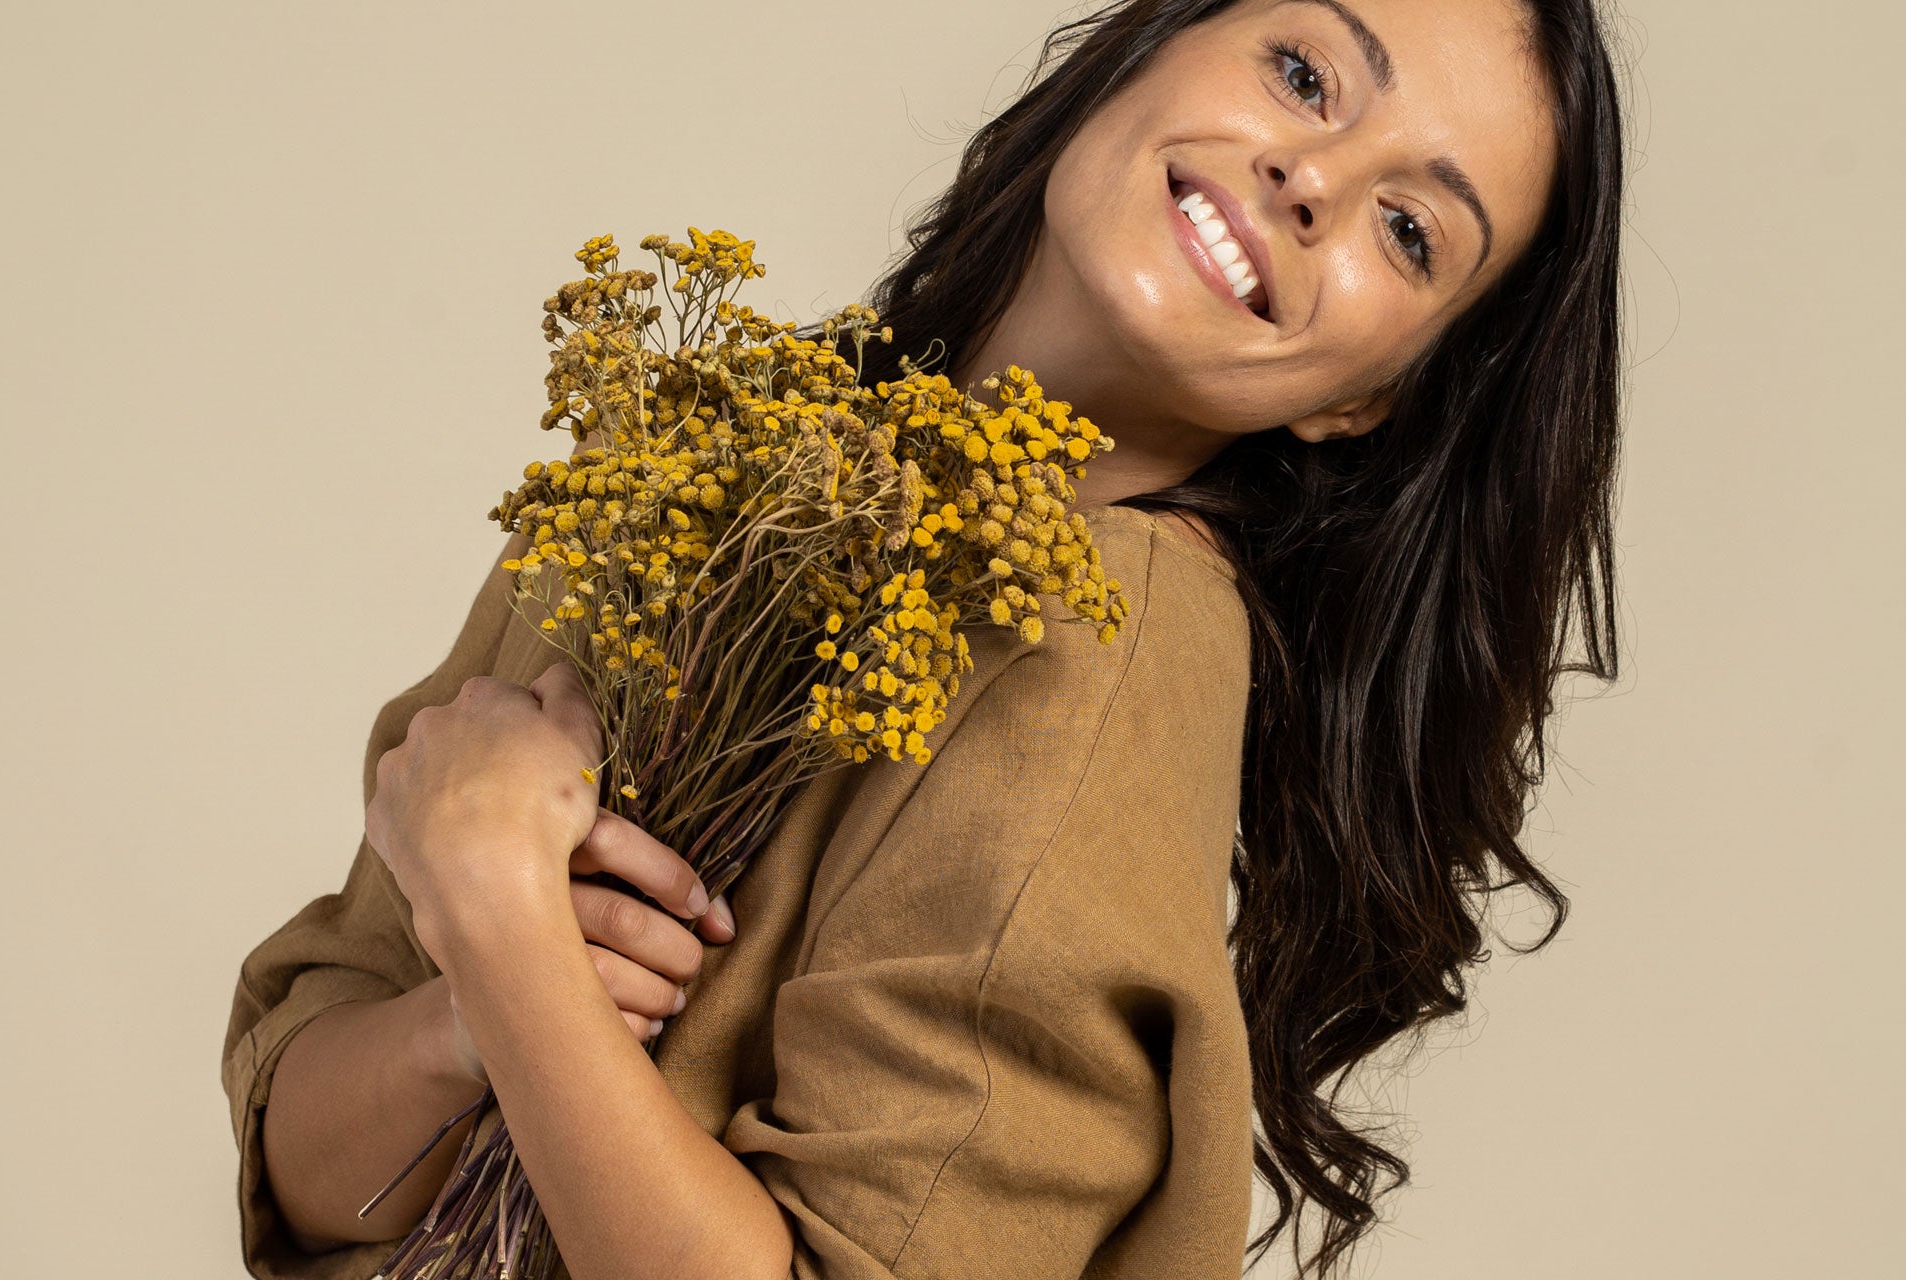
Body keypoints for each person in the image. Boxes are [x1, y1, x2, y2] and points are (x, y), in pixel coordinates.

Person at [220, 0, 1626, 1277]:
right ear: (1150, 44)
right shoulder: (713, 459)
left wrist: (504, 928)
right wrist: (460, 1030)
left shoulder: (1096, 644)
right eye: (1305, 71)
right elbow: (302, 1164)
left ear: (1369, 399)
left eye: (1411, 231)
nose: (1312, 181)